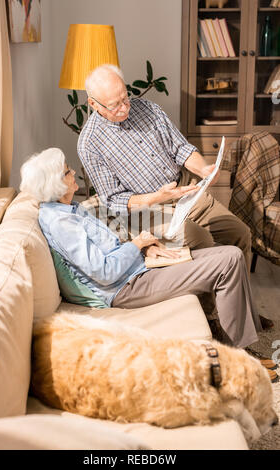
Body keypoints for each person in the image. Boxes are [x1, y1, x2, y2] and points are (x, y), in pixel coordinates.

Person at [20, 148, 269, 363]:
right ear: (55, 184)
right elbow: (103, 273)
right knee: (226, 262)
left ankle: (242, 341)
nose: (73, 173)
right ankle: (238, 356)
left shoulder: (69, 209)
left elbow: (109, 247)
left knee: (231, 254)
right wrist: (136, 244)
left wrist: (144, 247)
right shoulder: (61, 222)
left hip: (139, 269)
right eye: (67, 171)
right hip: (126, 288)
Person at [76, 64, 273, 331]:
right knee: (202, 240)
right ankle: (212, 319)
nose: (124, 108)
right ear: (93, 104)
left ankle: (241, 308)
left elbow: (181, 149)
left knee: (240, 232)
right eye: (114, 105)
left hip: (186, 192)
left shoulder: (147, 109)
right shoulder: (89, 143)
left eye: (125, 98)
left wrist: (203, 169)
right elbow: (113, 200)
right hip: (147, 211)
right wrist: (157, 196)